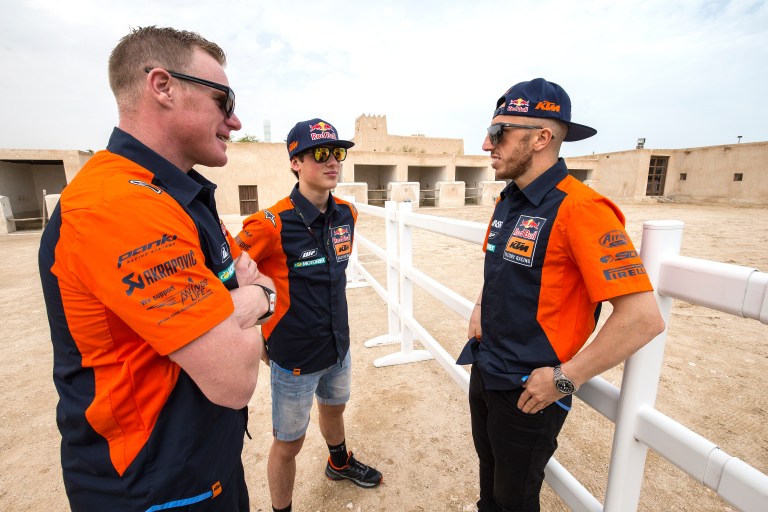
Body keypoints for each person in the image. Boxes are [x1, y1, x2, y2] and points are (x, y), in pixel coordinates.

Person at [38, 26, 275, 512]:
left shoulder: (180, 195)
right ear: (163, 86)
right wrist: (255, 299)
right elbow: (235, 375)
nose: (234, 120)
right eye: (223, 100)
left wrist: (243, 301)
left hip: (205, 462)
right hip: (150, 485)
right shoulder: (117, 204)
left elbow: (259, 279)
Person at [457, 78, 666, 512]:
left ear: (541, 138)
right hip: (487, 367)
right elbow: (501, 269)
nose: (486, 144)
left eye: (498, 133)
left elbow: (642, 318)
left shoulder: (582, 209)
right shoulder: (509, 200)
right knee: (490, 490)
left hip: (529, 391)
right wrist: (479, 305)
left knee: (514, 501)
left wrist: (565, 378)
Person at [235, 118, 383, 512]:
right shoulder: (269, 224)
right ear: (295, 162)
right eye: (320, 153)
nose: (333, 161)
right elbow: (229, 280)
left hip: (338, 347)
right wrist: (257, 335)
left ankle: (339, 463)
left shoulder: (347, 214)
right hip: (294, 357)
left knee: (335, 410)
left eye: (337, 152)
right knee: (289, 443)